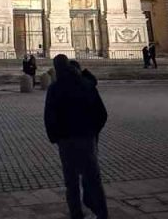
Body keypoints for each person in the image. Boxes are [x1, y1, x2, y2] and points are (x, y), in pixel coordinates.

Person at [44, 54, 109, 219]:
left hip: (66, 140)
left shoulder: (55, 88)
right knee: (93, 179)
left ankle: (76, 214)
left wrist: (56, 137)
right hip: (86, 138)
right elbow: (101, 113)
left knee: (71, 181)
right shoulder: (86, 84)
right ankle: (102, 214)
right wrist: (93, 132)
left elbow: (49, 116)